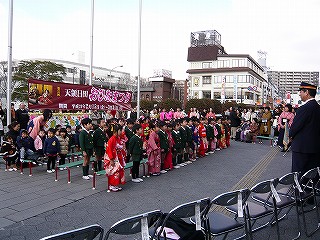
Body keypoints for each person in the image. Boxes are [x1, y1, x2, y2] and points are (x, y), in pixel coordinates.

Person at [289, 82, 320, 175]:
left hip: (301, 148)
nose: (299, 94)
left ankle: (299, 189)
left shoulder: (304, 108)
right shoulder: (318, 108)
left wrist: (290, 136)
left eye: (301, 92)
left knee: (298, 175)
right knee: (312, 175)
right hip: (316, 147)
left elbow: (295, 127)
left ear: (306, 92)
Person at [104, 124, 126, 191]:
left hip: (117, 156)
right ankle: (112, 185)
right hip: (113, 157)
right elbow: (109, 150)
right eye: (120, 130)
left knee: (118, 171)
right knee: (114, 171)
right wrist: (111, 159)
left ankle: (116, 184)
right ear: (116, 131)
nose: (121, 131)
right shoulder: (111, 139)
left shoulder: (117, 138)